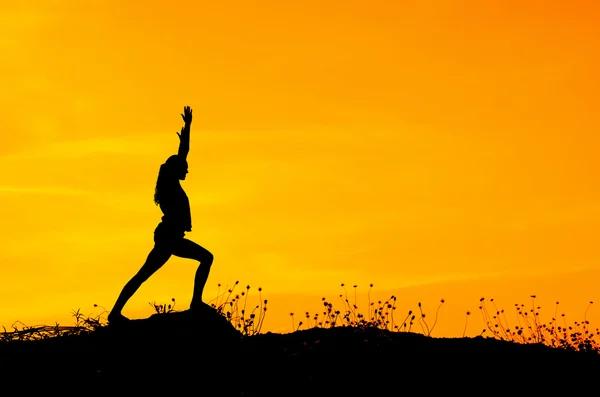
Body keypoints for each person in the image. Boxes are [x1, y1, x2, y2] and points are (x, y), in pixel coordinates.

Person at [107, 105, 214, 324]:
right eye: (184, 168)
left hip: (170, 237)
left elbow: (183, 154)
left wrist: (187, 128)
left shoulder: (171, 182)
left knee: (143, 274)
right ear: (176, 171)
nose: (187, 170)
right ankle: (196, 302)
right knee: (206, 258)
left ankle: (115, 312)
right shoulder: (170, 186)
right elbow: (181, 157)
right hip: (170, 238)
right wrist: (186, 133)